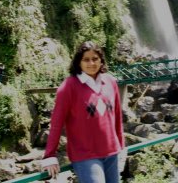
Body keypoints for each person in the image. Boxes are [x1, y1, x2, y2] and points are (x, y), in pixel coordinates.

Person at [41, 41, 125, 183]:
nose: (91, 63)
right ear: (78, 62)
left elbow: (117, 117)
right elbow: (56, 123)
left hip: (113, 152)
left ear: (101, 60)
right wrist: (49, 155)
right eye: (86, 59)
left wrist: (121, 146)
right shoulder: (68, 87)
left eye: (95, 59)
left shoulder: (110, 82)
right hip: (86, 156)